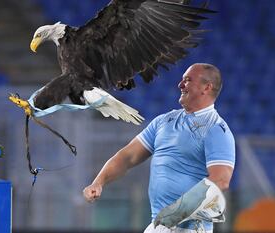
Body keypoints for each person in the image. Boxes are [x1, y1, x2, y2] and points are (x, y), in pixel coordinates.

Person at [83, 63, 235, 233]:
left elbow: (221, 180)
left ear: (206, 88)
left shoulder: (216, 129)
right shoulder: (163, 121)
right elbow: (127, 156)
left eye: (188, 80)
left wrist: (176, 213)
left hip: (189, 228)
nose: (180, 85)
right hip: (160, 224)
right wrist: (99, 182)